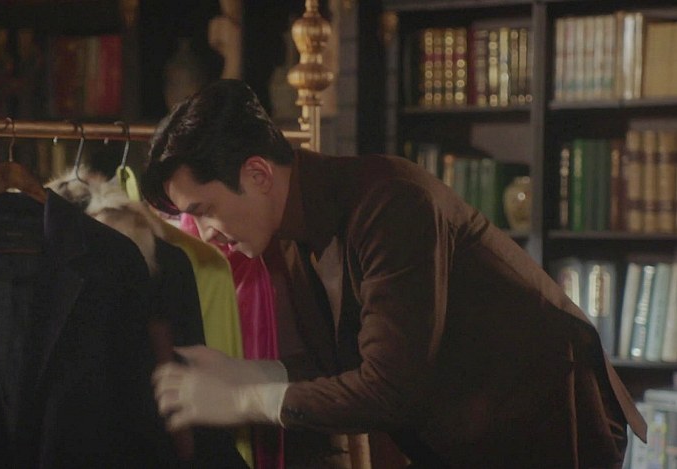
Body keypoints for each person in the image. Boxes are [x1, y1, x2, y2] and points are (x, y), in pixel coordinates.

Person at [142, 79, 646, 468]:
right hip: (471, 429)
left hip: (546, 425)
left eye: (205, 210)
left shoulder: (390, 201)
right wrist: (248, 373)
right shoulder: (292, 230)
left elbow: (389, 389)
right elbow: (341, 367)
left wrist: (244, 397)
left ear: (258, 174)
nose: (204, 234)